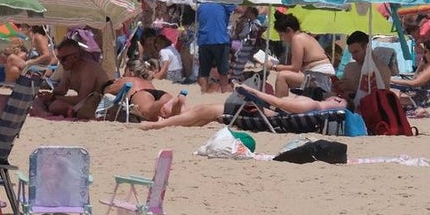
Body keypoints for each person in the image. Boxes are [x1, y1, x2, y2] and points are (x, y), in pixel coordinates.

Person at [140, 83, 341, 130]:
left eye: (338, 98)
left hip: (260, 115)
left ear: (338, 102)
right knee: (203, 115)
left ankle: (158, 124)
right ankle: (177, 112)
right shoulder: (314, 105)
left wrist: (255, 92)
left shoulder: (312, 103)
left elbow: (279, 103)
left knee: (205, 111)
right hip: (260, 113)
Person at [34, 37, 113, 119]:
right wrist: (48, 95)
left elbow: (82, 98)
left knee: (55, 106)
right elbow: (61, 90)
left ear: (75, 57)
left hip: (96, 103)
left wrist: (54, 97)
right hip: (82, 103)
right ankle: (47, 113)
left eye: (63, 59)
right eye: (59, 58)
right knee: (38, 100)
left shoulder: (88, 69)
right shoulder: (69, 68)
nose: (61, 62)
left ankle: (65, 111)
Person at [272, 13, 336, 97]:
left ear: (288, 30)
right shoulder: (304, 36)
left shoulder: (297, 38)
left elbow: (295, 68)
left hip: (320, 77)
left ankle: (280, 106)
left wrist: (274, 67)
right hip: (318, 75)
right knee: (285, 75)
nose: (281, 38)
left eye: (281, 35)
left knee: (282, 76)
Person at [391, 37, 430, 110]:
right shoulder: (429, 66)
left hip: (417, 100)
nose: (424, 54)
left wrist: (392, 80)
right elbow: (414, 79)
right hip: (413, 95)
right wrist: (420, 66)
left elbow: (415, 83)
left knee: (387, 92)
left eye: (426, 51)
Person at [339, 31, 394, 99]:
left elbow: (381, 97)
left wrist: (353, 87)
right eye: (351, 53)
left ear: (366, 47)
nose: (353, 57)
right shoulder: (349, 67)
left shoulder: (381, 69)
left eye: (356, 52)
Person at [196, 1, 235, 93]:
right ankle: (224, 92)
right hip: (219, 40)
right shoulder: (224, 3)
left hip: (204, 40)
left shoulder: (201, 6)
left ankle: (203, 92)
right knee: (223, 71)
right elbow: (240, 9)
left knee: (203, 71)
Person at [228, 6, 264, 82]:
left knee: (241, 60)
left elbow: (251, 33)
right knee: (239, 60)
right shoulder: (247, 22)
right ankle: (235, 75)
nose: (246, 14)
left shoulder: (256, 23)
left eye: (248, 12)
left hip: (250, 43)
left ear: (252, 14)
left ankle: (236, 77)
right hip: (245, 42)